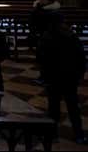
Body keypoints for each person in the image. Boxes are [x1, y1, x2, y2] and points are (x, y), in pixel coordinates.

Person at [37, 11, 87, 144]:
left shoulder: (46, 36)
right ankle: (79, 134)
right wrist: (80, 73)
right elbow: (80, 56)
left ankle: (52, 135)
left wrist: (44, 75)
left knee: (53, 107)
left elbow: (41, 58)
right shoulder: (71, 35)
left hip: (53, 77)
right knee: (73, 107)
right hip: (70, 76)